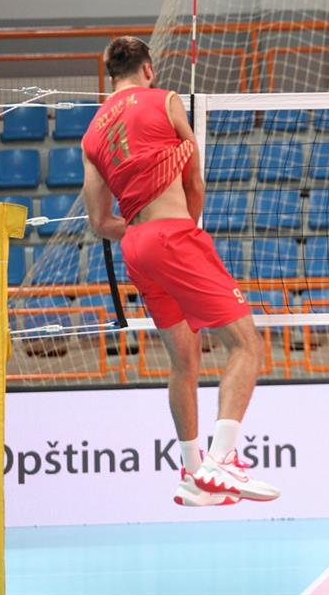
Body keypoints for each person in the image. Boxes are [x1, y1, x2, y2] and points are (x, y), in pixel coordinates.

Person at [81, 36, 279, 508]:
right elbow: (194, 178)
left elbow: (99, 222)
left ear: (110, 74)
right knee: (247, 345)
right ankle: (221, 459)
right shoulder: (165, 99)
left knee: (184, 363)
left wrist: (141, 231)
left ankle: (192, 476)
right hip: (175, 237)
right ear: (148, 69)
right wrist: (183, 228)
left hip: (136, 248)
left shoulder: (91, 134)